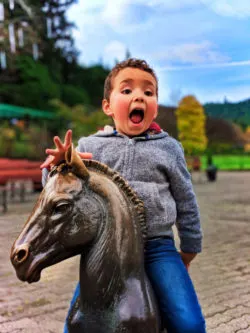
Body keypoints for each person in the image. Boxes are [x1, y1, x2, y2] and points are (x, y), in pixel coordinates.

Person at [41, 58, 206, 333]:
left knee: (189, 323)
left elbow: (186, 200)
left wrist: (188, 249)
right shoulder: (91, 147)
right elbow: (58, 190)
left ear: (154, 107)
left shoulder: (169, 149)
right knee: (76, 325)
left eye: (148, 92)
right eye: (127, 90)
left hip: (157, 247)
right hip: (106, 252)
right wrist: (59, 166)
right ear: (107, 106)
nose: (138, 96)